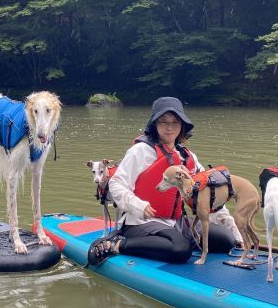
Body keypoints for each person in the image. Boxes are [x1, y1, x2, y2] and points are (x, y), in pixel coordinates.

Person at [88, 96, 235, 265]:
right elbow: (116, 183)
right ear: (155, 124)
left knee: (226, 239)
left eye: (175, 122)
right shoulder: (140, 151)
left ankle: (176, 239)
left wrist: (229, 223)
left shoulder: (188, 157)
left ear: (182, 126)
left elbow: (207, 192)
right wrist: (138, 205)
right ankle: (118, 244)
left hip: (177, 221)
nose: (169, 127)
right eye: (163, 122)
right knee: (181, 249)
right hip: (141, 222)